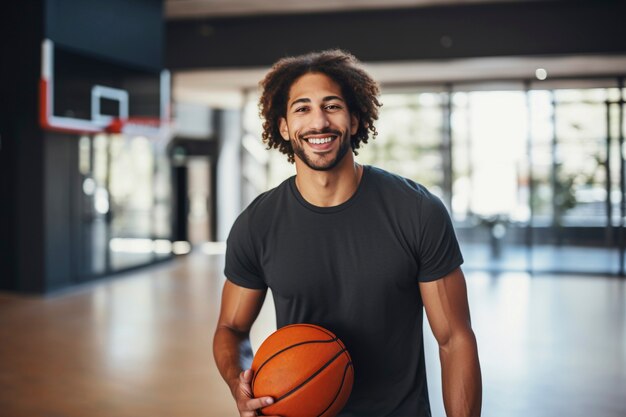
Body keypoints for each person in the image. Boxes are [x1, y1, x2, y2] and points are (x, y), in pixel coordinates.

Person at [213, 49, 482, 417]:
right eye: (302, 108)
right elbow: (230, 327)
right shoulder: (257, 223)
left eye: (332, 106)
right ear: (284, 127)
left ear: (354, 121)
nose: (319, 121)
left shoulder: (416, 211)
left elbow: (454, 340)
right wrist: (238, 385)